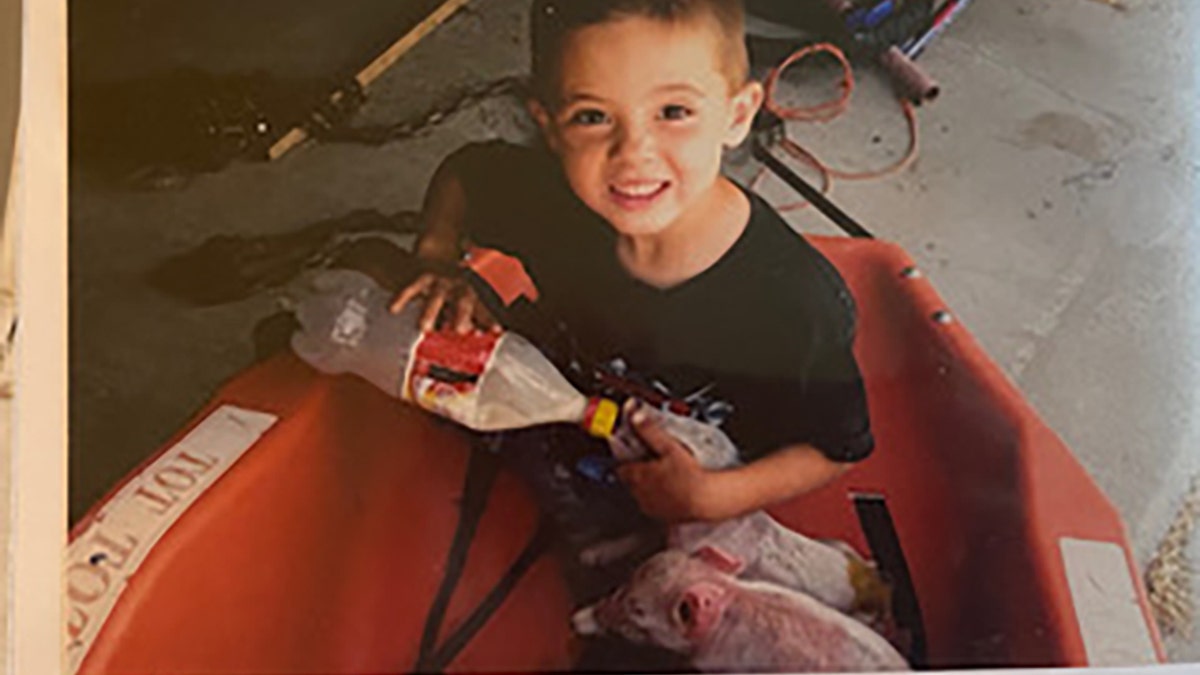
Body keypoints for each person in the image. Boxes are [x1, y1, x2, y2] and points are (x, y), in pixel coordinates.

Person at [391, 0, 872, 598]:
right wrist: (438, 261)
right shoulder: (556, 208)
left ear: (737, 113)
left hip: (705, 482)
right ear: (548, 125)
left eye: (673, 111)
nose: (634, 153)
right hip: (565, 412)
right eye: (592, 117)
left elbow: (838, 446)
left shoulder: (790, 300)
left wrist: (714, 496)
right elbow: (465, 175)